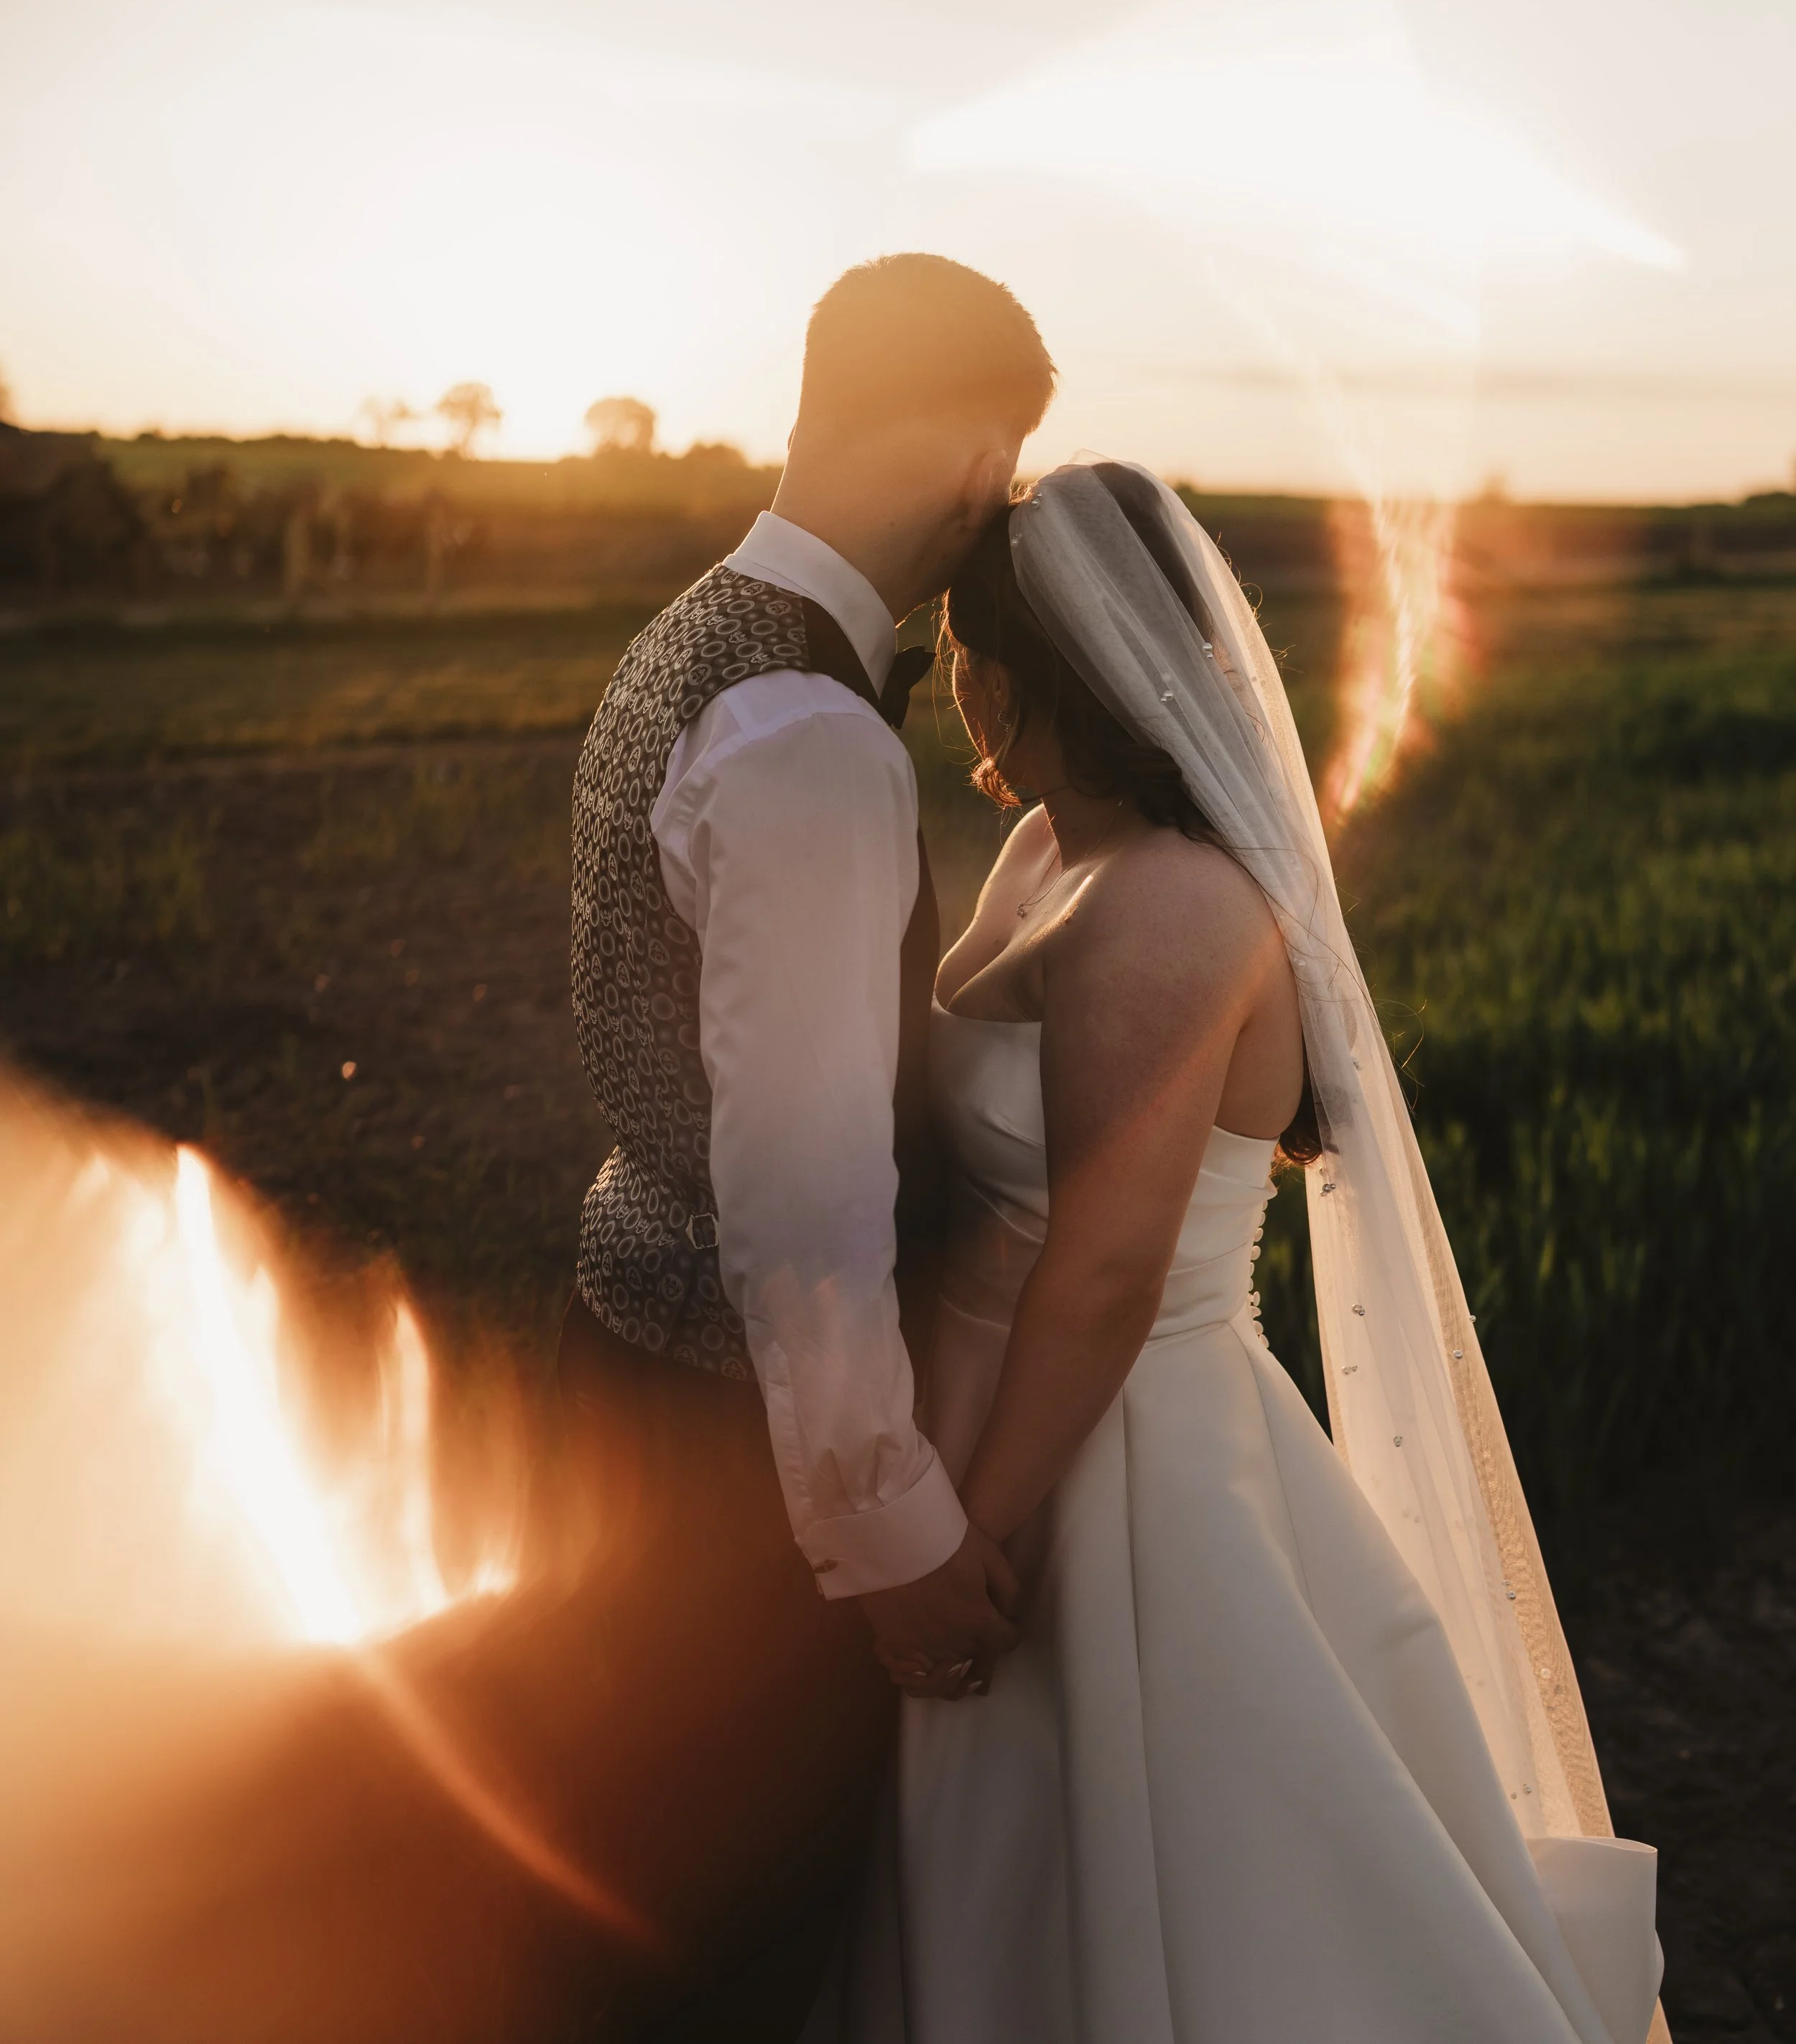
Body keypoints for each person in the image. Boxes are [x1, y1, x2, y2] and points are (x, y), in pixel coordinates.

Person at [820, 463, 1665, 2044]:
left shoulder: (1167, 908)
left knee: (1187, 1888)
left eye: (961, 649)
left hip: (1110, 1463)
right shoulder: (1042, 859)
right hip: (991, 1415)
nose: (952, 686)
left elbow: (1100, 1272)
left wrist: (960, 1539)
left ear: (1028, 668)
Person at [559, 254, 1055, 2039]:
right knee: (734, 1945)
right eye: (995, 469)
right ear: (958, 448)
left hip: (632, 1345)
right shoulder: (813, 738)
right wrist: (889, 1527)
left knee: (630, 1886)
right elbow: (807, 1194)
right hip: (740, 1455)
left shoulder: (687, 637)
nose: (984, 518)